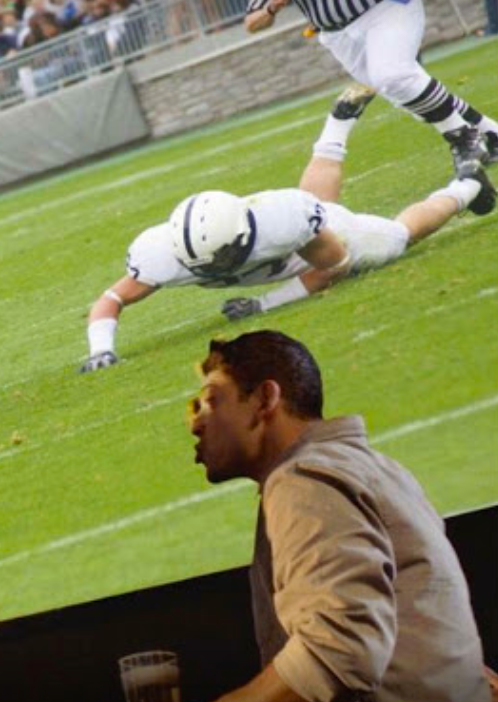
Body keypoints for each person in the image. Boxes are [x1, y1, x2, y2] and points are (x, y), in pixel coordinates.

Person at [79, 86, 496, 372]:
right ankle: (339, 121)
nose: (216, 267)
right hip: (298, 223)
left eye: (222, 256)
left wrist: (264, 305)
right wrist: (101, 351)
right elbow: (111, 299)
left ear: (243, 236)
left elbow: (334, 266)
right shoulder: (163, 253)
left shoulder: (280, 223)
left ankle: (467, 185)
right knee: (317, 205)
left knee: (395, 239)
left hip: (320, 241)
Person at [188, 330, 498, 701]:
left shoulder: (302, 480)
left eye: (211, 402)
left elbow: (338, 650)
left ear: (265, 399)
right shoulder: (376, 467)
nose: (195, 423)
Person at [244, 0, 498, 176]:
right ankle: (491, 133)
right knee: (404, 91)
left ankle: (465, 140)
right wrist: (271, 8)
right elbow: (252, 22)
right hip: (338, 34)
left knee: (392, 76)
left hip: (387, 5)